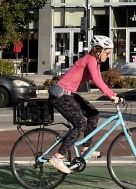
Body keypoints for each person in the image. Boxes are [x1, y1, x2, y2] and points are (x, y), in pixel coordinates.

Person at [46, 34, 122, 174]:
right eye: (107, 52)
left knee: (93, 114)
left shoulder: (95, 62)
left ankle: (86, 149)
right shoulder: (90, 59)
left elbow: (99, 79)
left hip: (70, 95)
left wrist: (113, 94)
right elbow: (96, 81)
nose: (108, 56)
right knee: (80, 123)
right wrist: (110, 95)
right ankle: (59, 157)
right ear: (98, 50)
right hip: (61, 96)